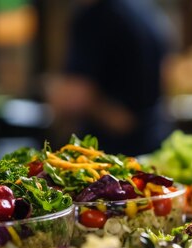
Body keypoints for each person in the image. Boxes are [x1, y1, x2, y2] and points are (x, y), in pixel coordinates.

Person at [48, 0, 173, 155]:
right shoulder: (147, 11)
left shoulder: (94, 18)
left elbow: (76, 95)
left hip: (109, 154)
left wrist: (54, 95)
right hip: (154, 142)